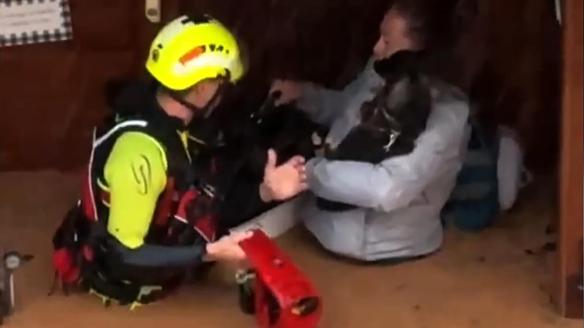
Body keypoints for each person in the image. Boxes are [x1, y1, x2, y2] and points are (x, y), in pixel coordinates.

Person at [51, 14, 307, 305]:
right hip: (125, 277)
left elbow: (200, 203)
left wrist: (266, 192)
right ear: (202, 88)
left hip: (163, 230)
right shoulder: (140, 155)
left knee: (249, 198)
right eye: (222, 86)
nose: (225, 94)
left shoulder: (179, 124)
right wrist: (208, 253)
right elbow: (122, 255)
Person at [270, 0, 471, 262]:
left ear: (422, 54)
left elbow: (387, 188)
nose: (376, 48)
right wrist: (302, 95)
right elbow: (348, 112)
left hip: (379, 246)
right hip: (323, 225)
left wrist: (308, 173)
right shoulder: (384, 73)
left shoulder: (446, 116)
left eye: (387, 41)